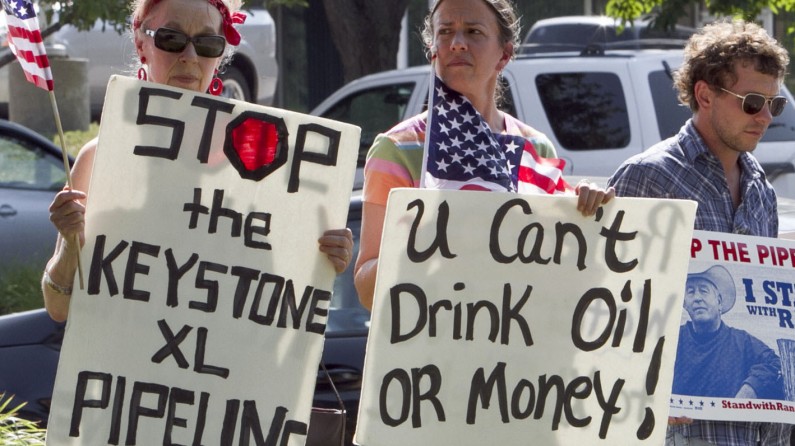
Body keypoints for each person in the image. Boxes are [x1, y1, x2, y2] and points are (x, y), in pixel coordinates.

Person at [42, 0, 353, 323]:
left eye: (207, 44)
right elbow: (58, 308)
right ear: (141, 43)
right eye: (171, 39)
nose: (189, 56)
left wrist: (322, 259)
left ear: (220, 56)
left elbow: (276, 288)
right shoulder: (101, 158)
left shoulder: (259, 159)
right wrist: (69, 244)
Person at [353, 0, 615, 310]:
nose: (458, 44)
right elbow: (367, 291)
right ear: (432, 49)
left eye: (473, 32)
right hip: (425, 353)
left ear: (504, 54)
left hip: (513, 350)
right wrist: (431, 242)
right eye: (445, 32)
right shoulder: (396, 149)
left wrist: (588, 213)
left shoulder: (536, 148)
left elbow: (560, 271)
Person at [607, 19, 791, 446]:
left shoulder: (760, 187)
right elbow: (607, 310)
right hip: (678, 433)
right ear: (705, 95)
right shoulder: (647, 178)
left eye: (773, 104)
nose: (765, 117)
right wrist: (642, 395)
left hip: (755, 433)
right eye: (751, 102)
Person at [674, 265, 783, 400]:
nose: (697, 298)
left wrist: (750, 388)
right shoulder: (673, 340)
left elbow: (774, 362)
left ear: (719, 302)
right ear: (685, 304)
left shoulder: (741, 342)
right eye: (690, 292)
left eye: (703, 291)